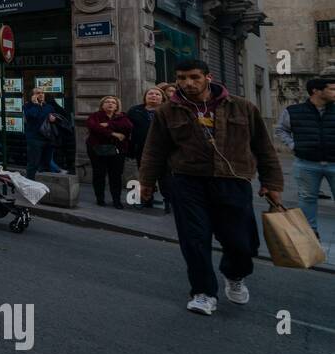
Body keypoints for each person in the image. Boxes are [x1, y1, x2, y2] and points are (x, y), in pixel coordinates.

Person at [138, 59, 283, 316]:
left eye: (194, 77)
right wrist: (147, 182)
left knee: (241, 242)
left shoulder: (242, 107)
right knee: (194, 239)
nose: (187, 83)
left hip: (232, 180)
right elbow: (154, 150)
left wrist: (272, 183)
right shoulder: (167, 111)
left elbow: (263, 147)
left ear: (209, 77)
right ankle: (203, 292)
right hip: (187, 181)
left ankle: (235, 275)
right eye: (181, 78)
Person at [275, 76, 335, 238]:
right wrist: (294, 145)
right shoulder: (293, 111)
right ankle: (310, 233)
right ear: (316, 91)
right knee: (307, 198)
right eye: (332, 89)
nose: (334, 92)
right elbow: (281, 130)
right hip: (307, 163)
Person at [85, 96, 133, 208]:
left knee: (116, 175)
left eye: (113, 102)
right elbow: (94, 127)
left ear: (117, 106)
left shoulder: (122, 116)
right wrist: (114, 133)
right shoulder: (95, 116)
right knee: (99, 174)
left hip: (117, 150)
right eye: (107, 102)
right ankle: (100, 199)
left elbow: (128, 126)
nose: (110, 104)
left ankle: (116, 200)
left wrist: (109, 124)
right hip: (97, 149)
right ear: (102, 105)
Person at [127, 86, 169, 211]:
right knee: (144, 176)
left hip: (165, 150)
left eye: (157, 94)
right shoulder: (135, 111)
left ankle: (168, 202)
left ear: (163, 98)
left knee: (165, 178)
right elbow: (127, 129)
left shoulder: (168, 111)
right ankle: (144, 200)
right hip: (143, 149)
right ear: (145, 97)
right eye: (150, 94)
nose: (154, 96)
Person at [24, 88, 66, 179]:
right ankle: (29, 184)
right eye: (38, 93)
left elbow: (59, 116)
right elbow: (33, 116)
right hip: (34, 139)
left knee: (46, 163)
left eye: (42, 93)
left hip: (47, 138)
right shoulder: (28, 106)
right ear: (32, 96)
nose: (41, 94)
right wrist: (36, 105)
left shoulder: (49, 107)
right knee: (33, 164)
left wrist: (54, 119)